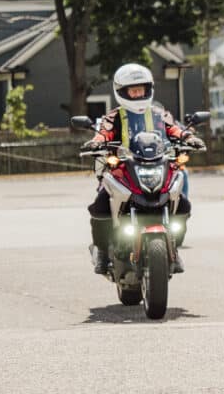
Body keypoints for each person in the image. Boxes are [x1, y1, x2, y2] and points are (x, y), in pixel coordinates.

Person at [82, 63, 205, 274]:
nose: (138, 94)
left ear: (148, 89)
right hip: (123, 170)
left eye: (141, 89)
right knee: (100, 205)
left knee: (183, 205)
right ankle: (102, 252)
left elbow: (174, 129)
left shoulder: (159, 114)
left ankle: (173, 248)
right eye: (133, 90)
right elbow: (104, 132)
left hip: (157, 166)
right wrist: (96, 142)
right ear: (122, 92)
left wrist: (189, 137)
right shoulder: (114, 117)